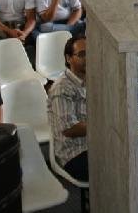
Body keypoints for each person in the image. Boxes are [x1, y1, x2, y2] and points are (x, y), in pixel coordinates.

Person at [47, 35, 88, 182]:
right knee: (117, 164)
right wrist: (103, 127)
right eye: (82, 54)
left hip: (94, 145)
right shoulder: (62, 88)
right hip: (74, 154)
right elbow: (70, 130)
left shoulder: (93, 79)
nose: (87, 58)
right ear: (68, 58)